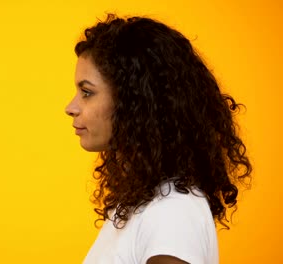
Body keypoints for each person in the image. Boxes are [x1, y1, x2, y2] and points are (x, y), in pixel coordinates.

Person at [65, 14, 252, 264]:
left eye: (87, 92)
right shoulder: (145, 203)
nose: (71, 107)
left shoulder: (172, 213)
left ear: (134, 101)